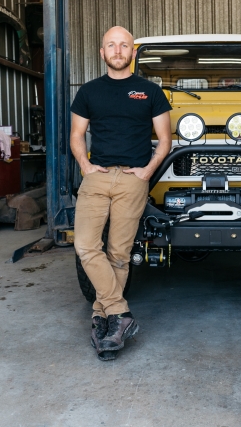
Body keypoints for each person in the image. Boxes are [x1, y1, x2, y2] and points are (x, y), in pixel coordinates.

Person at [70, 26, 172, 361]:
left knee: (118, 253)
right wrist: (84, 165)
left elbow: (165, 139)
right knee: (86, 245)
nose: (117, 50)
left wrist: (147, 170)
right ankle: (120, 313)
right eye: (111, 45)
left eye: (123, 45)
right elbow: (77, 134)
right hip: (97, 176)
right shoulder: (88, 92)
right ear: (102, 53)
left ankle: (104, 320)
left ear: (132, 52)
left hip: (133, 179)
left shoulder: (150, 91)